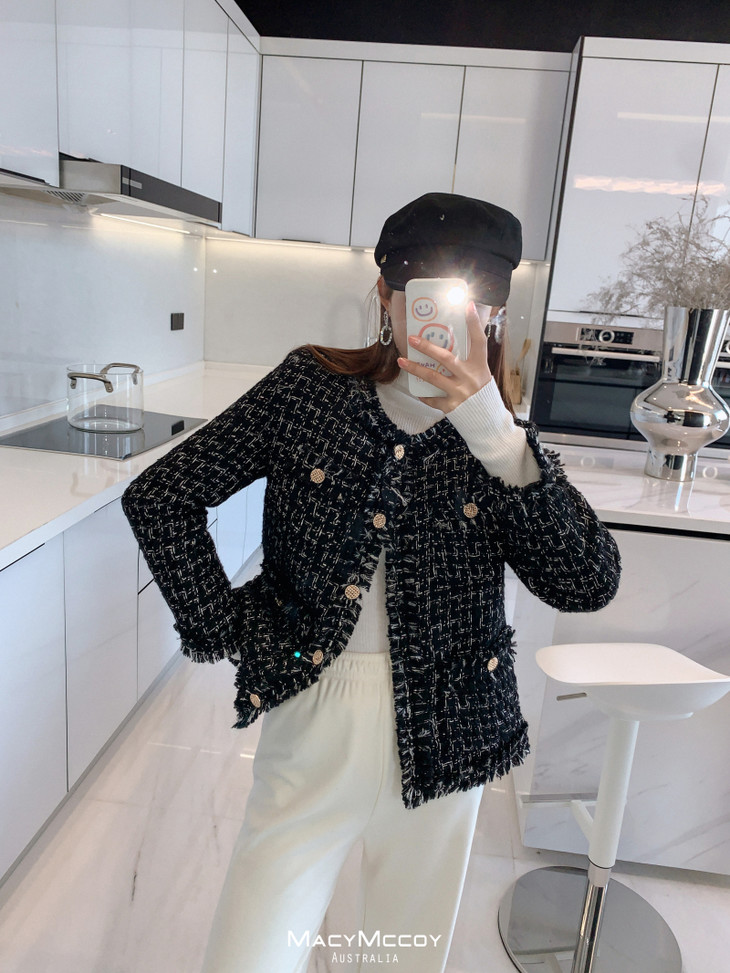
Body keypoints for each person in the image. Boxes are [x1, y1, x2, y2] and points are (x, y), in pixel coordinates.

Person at [121, 192, 621, 973]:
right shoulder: (309, 390)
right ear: (385, 295)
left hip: (455, 724)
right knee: (248, 956)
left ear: (496, 311)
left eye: (476, 301)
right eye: (425, 293)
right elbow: (160, 496)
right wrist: (225, 627)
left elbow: (588, 581)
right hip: (312, 715)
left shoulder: (502, 438)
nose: (451, 318)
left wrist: (493, 431)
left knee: (402, 959)